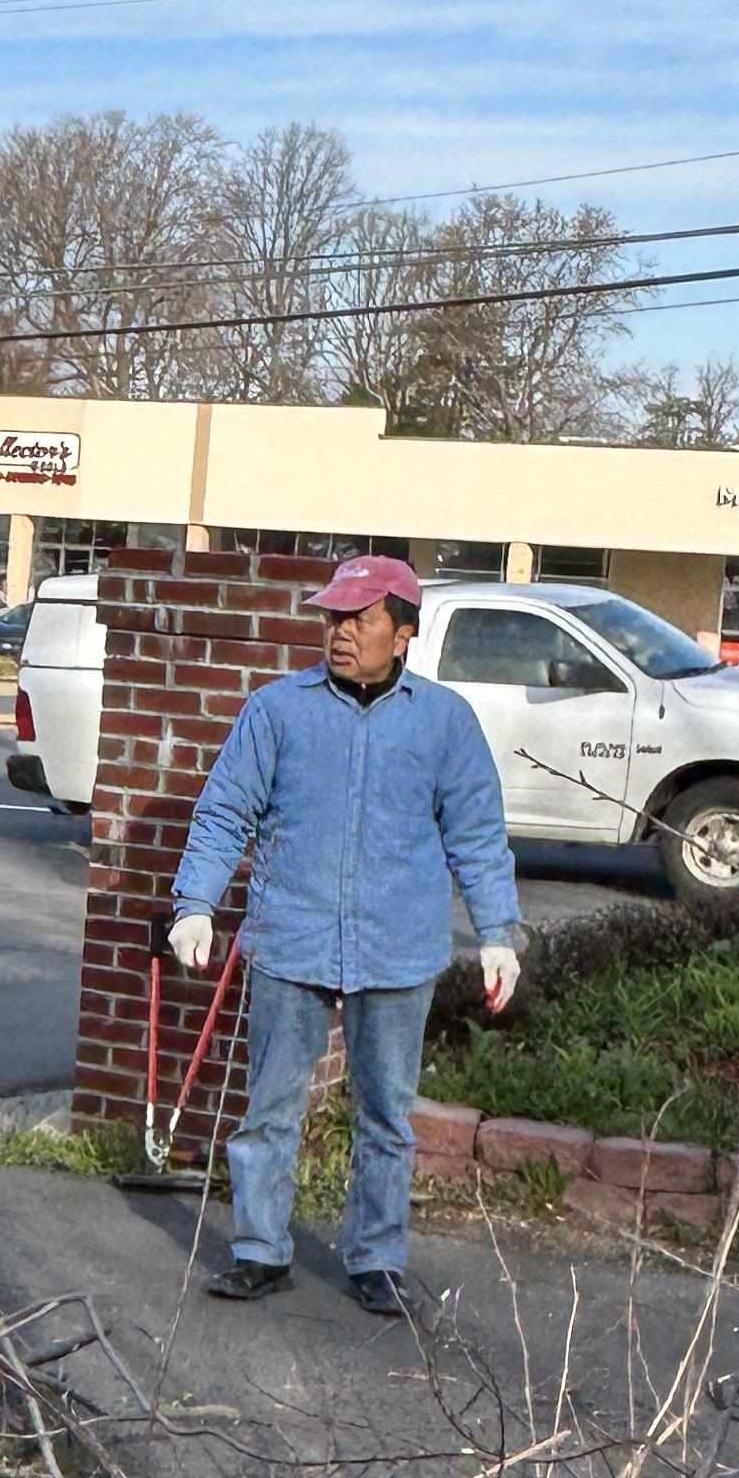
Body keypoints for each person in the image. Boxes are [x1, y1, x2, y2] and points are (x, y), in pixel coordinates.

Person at [167, 553, 520, 1319]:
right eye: (333, 618)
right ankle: (260, 1250)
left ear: (404, 633)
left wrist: (497, 932)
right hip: (290, 939)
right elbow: (225, 811)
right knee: (270, 1107)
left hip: (398, 948)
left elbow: (477, 835)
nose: (340, 633)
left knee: (386, 1116)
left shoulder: (445, 722)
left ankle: (377, 1258)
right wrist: (194, 903)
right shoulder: (277, 711)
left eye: (360, 620)